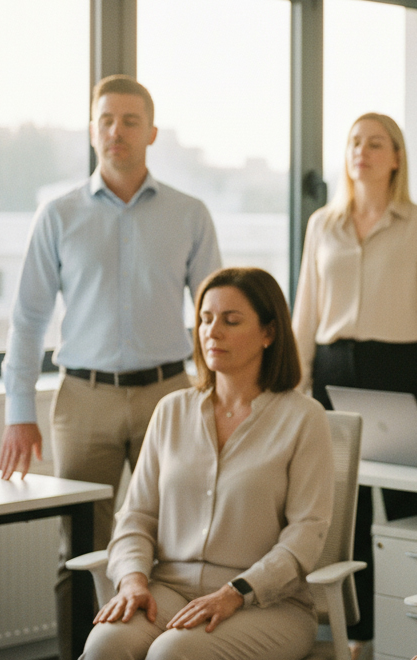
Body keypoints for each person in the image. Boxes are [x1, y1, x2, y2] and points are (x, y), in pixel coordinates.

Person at [0, 74, 221, 658]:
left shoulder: (190, 213)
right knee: (83, 549)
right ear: (93, 131)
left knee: (174, 542)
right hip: (83, 399)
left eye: (128, 120)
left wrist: (217, 399)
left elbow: (214, 314)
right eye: (105, 120)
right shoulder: (58, 215)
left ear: (151, 131)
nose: (115, 131)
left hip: (170, 396)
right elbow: (27, 321)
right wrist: (20, 412)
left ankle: (161, 651)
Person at [79, 267, 335, 660]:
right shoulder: (172, 410)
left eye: (231, 321)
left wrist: (238, 592)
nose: (212, 331)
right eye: (205, 319)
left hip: (265, 603)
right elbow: (136, 517)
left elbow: (306, 536)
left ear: (269, 333)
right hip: (168, 589)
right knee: (104, 645)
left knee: (173, 653)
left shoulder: (304, 418)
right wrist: (131, 580)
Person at [292, 112, 417, 644]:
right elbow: (305, 312)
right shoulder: (322, 223)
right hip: (332, 368)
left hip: (397, 370)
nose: (361, 152)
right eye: (353, 142)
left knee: (416, 502)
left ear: (396, 157)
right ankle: (358, 635)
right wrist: (292, 387)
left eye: (375, 143)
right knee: (342, 507)